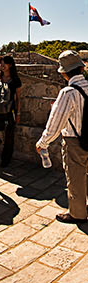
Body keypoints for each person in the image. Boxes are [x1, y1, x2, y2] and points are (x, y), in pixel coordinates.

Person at [37, 51, 88, 224]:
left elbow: (55, 126)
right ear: (81, 68)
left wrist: (42, 142)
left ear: (64, 73)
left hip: (76, 141)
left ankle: (78, 214)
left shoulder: (68, 93)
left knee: (76, 178)